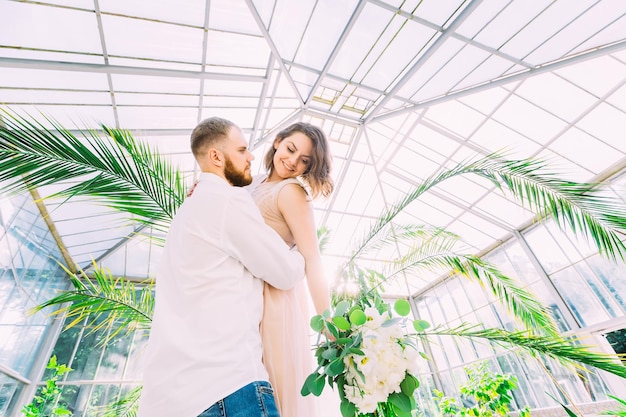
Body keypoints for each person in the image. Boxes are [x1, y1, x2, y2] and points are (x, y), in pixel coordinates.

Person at [136, 117, 306, 417]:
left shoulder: (188, 210)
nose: (251, 156)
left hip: (167, 399)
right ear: (216, 156)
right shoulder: (228, 201)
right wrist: (303, 253)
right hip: (227, 386)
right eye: (242, 150)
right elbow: (285, 273)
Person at [246, 122, 334, 417]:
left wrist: (327, 320)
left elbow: (312, 258)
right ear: (277, 142)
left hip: (274, 301)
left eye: (304, 161)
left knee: (272, 390)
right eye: (290, 149)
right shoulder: (254, 182)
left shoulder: (292, 192)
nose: (293, 161)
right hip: (243, 293)